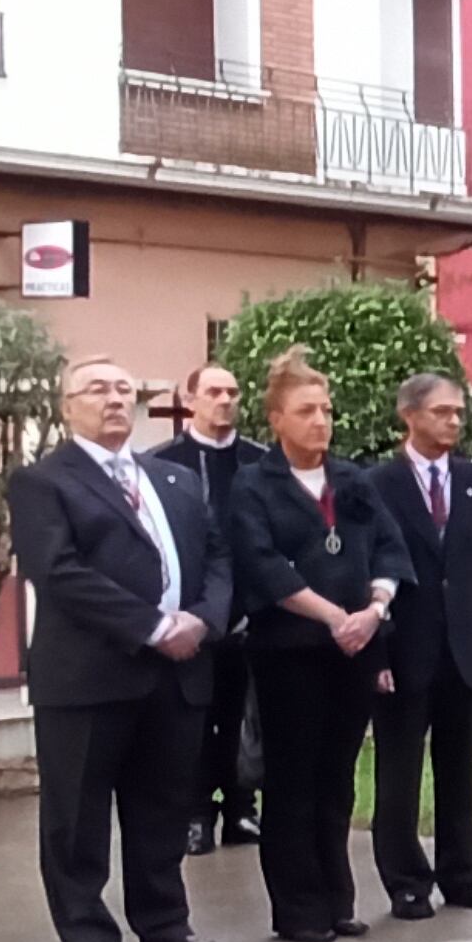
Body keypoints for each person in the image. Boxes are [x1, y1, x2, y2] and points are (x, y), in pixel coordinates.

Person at [8, 355, 232, 942]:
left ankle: (164, 926)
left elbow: (216, 557)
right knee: (77, 818)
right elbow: (59, 572)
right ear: (66, 406)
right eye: (96, 389)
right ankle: (89, 940)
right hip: (88, 679)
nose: (113, 399)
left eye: (123, 389)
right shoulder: (43, 482)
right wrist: (154, 627)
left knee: (162, 808)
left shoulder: (173, 480)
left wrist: (202, 621)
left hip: (177, 676)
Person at [225, 348, 413, 942]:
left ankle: (338, 899)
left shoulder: (352, 480)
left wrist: (374, 609)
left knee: (337, 778)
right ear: (276, 419)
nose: (320, 421)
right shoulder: (254, 486)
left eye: (326, 410)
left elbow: (387, 546)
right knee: (292, 780)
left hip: (353, 650)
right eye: (305, 410)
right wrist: (335, 616)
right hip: (290, 653)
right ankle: (298, 907)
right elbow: (261, 566)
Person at [368, 372, 472, 919]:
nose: (454, 421)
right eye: (442, 412)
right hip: (406, 647)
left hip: (467, 647)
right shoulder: (377, 484)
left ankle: (463, 872)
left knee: (461, 767)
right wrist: (376, 655)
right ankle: (406, 879)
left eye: (459, 412)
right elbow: (371, 570)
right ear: (409, 416)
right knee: (400, 770)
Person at [148, 362, 266, 857]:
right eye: (214, 391)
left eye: (234, 392)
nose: (225, 400)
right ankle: (196, 812)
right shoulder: (162, 463)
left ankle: (242, 806)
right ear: (191, 398)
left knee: (242, 717)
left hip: (250, 613)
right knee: (193, 719)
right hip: (191, 614)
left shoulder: (260, 462)